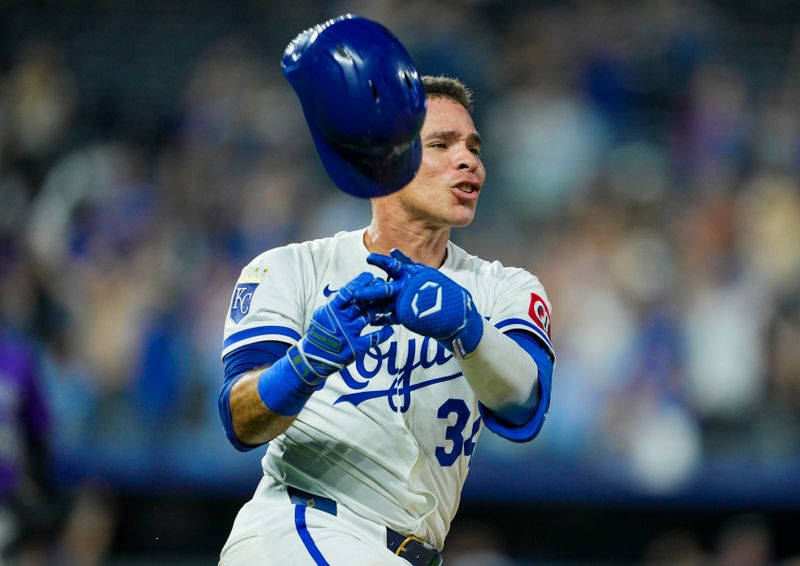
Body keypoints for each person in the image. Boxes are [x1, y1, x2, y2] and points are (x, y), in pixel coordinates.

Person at [217, 21, 554, 565]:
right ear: (387, 157)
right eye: (441, 145)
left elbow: (525, 406)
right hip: (302, 525)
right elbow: (240, 419)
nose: (467, 160)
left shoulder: (502, 289)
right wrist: (306, 362)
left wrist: (467, 328)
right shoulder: (291, 269)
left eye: (473, 147)